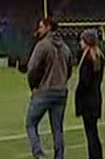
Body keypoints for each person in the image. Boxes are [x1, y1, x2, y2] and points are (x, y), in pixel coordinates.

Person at [22, 17, 70, 159]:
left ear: (48, 27)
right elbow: (69, 69)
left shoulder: (42, 46)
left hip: (45, 90)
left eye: (41, 27)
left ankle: (38, 153)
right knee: (57, 128)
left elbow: (32, 68)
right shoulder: (65, 47)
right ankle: (59, 156)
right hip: (61, 91)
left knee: (31, 123)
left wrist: (33, 85)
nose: (38, 30)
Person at [75, 30, 105, 159]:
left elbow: (84, 83)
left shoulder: (87, 60)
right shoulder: (99, 58)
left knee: (91, 133)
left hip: (88, 101)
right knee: (93, 132)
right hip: (96, 98)